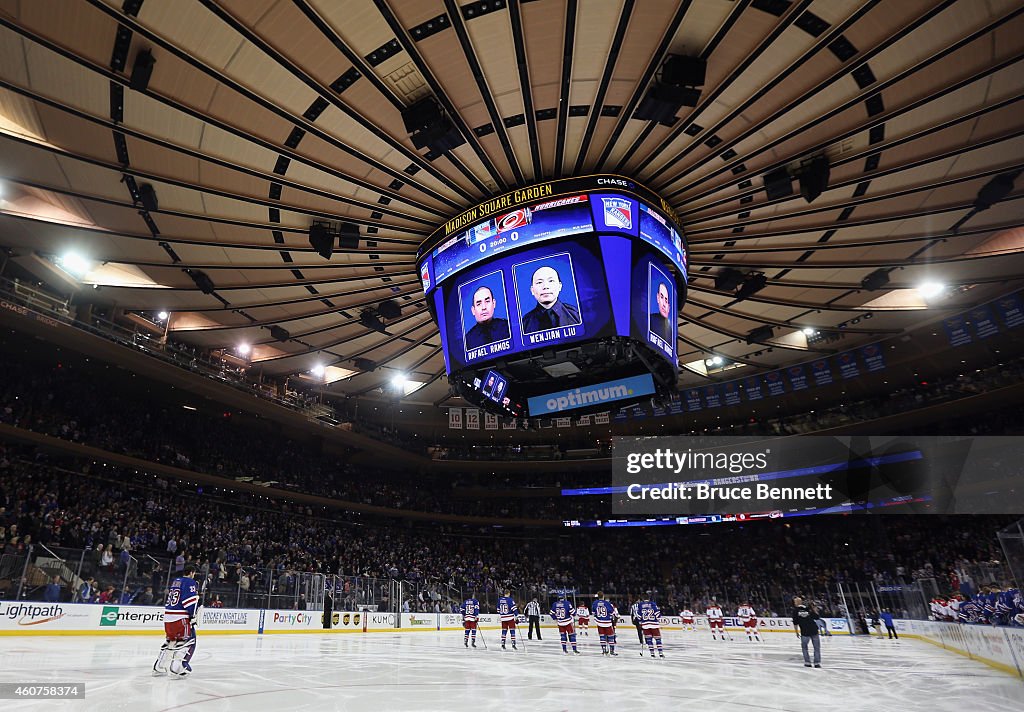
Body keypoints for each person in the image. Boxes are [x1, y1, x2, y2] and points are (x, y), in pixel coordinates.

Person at [153, 563, 200, 678]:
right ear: (191, 572)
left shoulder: (176, 581)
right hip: (180, 617)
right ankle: (178, 667)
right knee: (189, 641)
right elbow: (189, 602)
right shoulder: (190, 582)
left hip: (168, 616)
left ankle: (159, 666)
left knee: (170, 641)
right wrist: (192, 616)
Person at [520, 266, 581, 333]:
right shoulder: (524, 324)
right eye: (539, 282)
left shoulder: (577, 315)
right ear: (532, 290)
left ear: (560, 286)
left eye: (551, 281)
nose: (545, 287)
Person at [792, 596, 822, 668]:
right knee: (816, 647)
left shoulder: (795, 611)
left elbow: (795, 622)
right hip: (813, 630)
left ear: (796, 603)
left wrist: (796, 632)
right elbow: (816, 617)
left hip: (805, 632)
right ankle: (817, 663)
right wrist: (814, 609)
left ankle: (807, 662)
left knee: (805, 647)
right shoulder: (808, 608)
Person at [638, 592, 665, 659]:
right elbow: (658, 614)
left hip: (645, 625)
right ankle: (660, 653)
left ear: (643, 598)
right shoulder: (653, 603)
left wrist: (641, 622)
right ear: (649, 598)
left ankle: (652, 654)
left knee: (649, 640)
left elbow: (638, 616)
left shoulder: (640, 604)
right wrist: (658, 618)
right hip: (654, 624)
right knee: (658, 639)